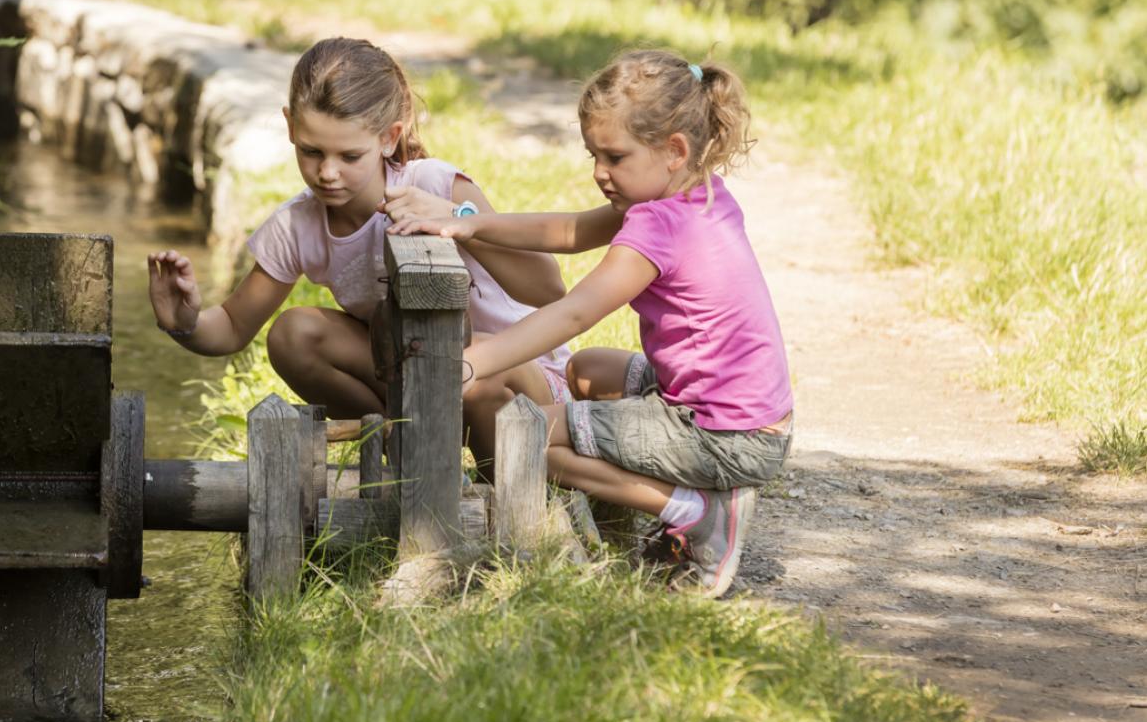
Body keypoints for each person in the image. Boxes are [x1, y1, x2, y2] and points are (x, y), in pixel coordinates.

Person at [391, 49, 793, 597]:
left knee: (527, 437)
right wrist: (469, 222)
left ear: (674, 150)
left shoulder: (656, 228)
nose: (600, 173)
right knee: (586, 370)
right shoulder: (695, 193)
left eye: (614, 157)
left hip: (721, 434)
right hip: (745, 415)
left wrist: (468, 364)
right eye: (593, 155)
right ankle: (641, 506)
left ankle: (697, 511)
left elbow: (574, 311)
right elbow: (571, 230)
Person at [148, 37, 571, 477]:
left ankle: (502, 482)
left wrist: (456, 218)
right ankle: (405, 450)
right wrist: (183, 321)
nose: (327, 173)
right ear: (290, 127)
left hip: (521, 379)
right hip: (425, 375)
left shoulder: (437, 185)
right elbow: (234, 327)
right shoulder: (299, 225)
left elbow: (548, 288)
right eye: (311, 151)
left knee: (461, 361)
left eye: (349, 156)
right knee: (294, 333)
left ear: (389, 139)